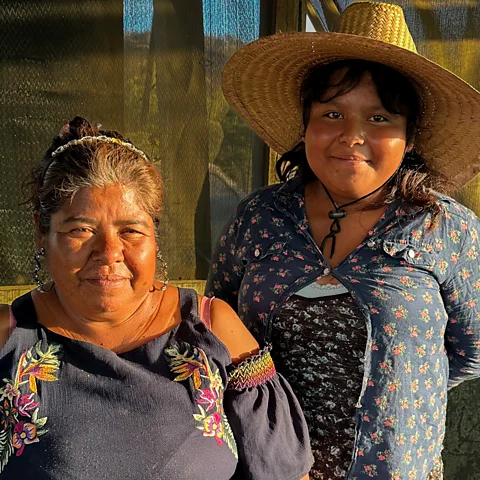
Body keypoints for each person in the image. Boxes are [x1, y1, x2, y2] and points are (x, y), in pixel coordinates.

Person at [206, 2, 480, 479]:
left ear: (409, 136)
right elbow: (217, 325)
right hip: (267, 470)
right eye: (332, 113)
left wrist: (405, 388)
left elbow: (471, 350)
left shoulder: (445, 229)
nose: (351, 136)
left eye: (379, 119)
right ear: (306, 124)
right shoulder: (260, 218)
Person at [0, 116, 313, 479]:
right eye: (81, 229)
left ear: (154, 238)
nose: (109, 252)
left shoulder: (213, 330)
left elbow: (286, 473)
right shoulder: (9, 340)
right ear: (43, 234)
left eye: (131, 230)